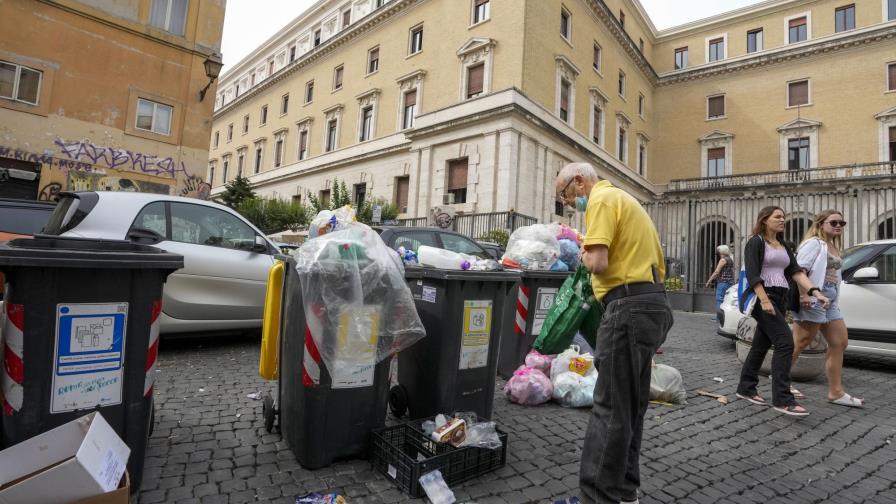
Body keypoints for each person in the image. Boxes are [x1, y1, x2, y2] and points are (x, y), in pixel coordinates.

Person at [555, 163, 672, 504]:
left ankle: (596, 498)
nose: (567, 203)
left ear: (579, 182)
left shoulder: (601, 201)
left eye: (565, 195)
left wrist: (583, 252)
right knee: (632, 406)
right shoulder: (624, 199)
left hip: (627, 306)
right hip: (651, 302)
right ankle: (624, 492)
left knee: (609, 408)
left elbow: (598, 263)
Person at [735, 206, 830, 417]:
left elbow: (796, 272)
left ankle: (745, 387)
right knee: (785, 342)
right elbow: (752, 274)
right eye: (777, 216)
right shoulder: (756, 242)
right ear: (764, 219)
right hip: (763, 297)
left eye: (784, 217)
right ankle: (783, 399)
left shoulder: (785, 245)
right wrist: (764, 300)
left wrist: (815, 292)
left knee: (761, 344)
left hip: (781, 298)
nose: (782, 220)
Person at [791, 210, 864, 407]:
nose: (838, 225)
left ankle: (836, 392)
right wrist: (804, 294)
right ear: (821, 223)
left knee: (840, 342)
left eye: (842, 222)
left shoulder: (833, 246)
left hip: (830, 299)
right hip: (814, 296)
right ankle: (780, 380)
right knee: (801, 342)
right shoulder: (813, 243)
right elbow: (800, 271)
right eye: (834, 222)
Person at [705, 245, 735, 314]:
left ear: (721, 252)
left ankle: (719, 318)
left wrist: (709, 280)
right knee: (726, 300)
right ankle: (725, 318)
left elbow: (716, 272)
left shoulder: (723, 260)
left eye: (718, 251)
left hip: (723, 283)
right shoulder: (730, 259)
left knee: (719, 300)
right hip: (730, 283)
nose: (718, 252)